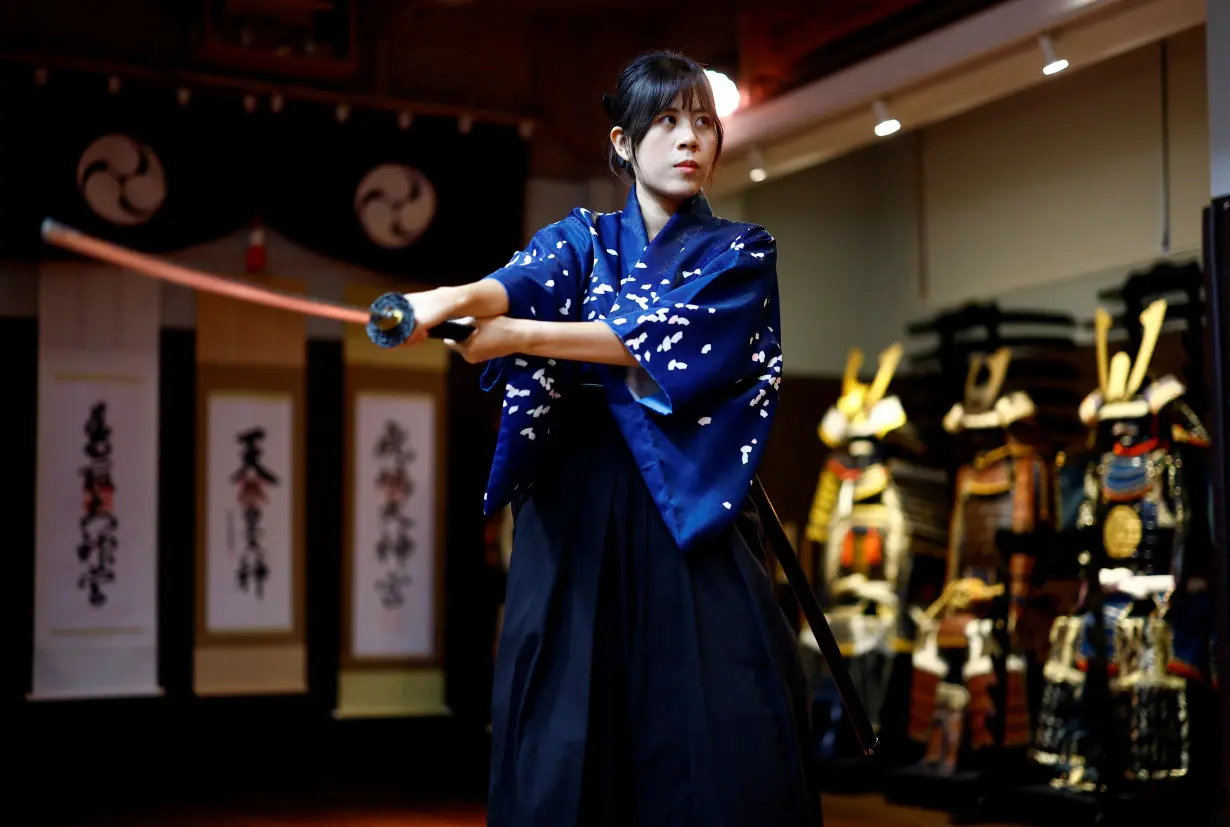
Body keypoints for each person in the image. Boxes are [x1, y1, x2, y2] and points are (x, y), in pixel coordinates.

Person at [401, 50, 821, 827]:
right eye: (666, 122)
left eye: (703, 123)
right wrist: (446, 299)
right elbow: (519, 280)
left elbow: (651, 338)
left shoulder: (740, 252)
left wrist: (518, 335)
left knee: (718, 723)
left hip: (686, 509)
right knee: (561, 724)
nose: (690, 139)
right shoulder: (584, 238)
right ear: (623, 144)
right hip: (576, 502)